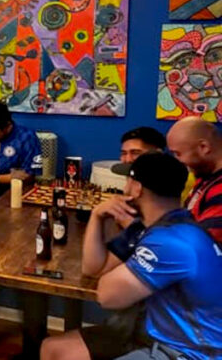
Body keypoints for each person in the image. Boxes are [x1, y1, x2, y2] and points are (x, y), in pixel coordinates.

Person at [40, 153, 222, 360]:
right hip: (159, 334)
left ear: (137, 188)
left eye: (128, 179)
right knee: (54, 349)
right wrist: (97, 216)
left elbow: (107, 297)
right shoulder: (169, 225)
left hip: (189, 352)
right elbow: (92, 269)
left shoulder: (170, 241)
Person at [166, 117, 222, 243]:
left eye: (178, 154)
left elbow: (200, 245)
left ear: (203, 147)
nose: (177, 161)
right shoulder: (205, 178)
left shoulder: (219, 190)